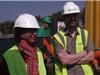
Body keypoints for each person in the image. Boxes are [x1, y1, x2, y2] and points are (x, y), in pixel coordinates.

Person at [53, 2, 94, 75]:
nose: (72, 18)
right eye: (69, 15)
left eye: (75, 15)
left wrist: (70, 59)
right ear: (64, 17)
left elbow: (91, 56)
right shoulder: (58, 37)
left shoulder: (85, 33)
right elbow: (64, 60)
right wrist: (84, 53)